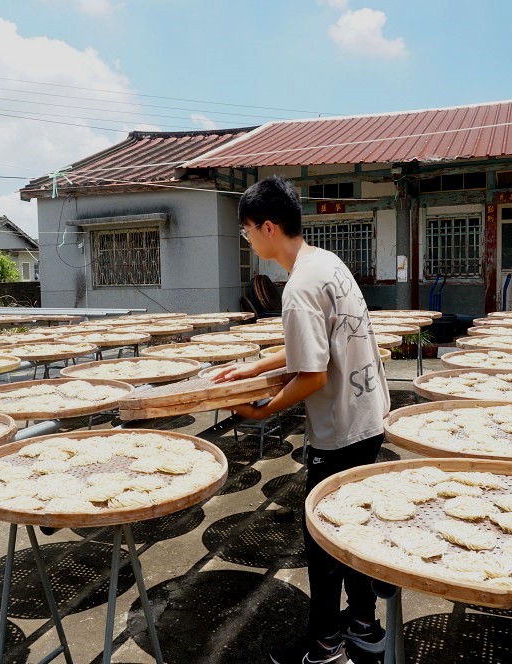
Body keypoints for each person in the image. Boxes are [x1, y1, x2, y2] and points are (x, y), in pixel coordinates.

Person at [212, 176, 391, 664]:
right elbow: (311, 347)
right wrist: (254, 366)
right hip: (370, 417)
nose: (247, 239)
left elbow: (311, 376)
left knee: (325, 541)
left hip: (341, 430)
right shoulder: (326, 264)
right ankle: (365, 626)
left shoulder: (297, 289)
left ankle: (326, 647)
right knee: (354, 528)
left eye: (247, 229)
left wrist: (261, 410)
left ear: (268, 227)